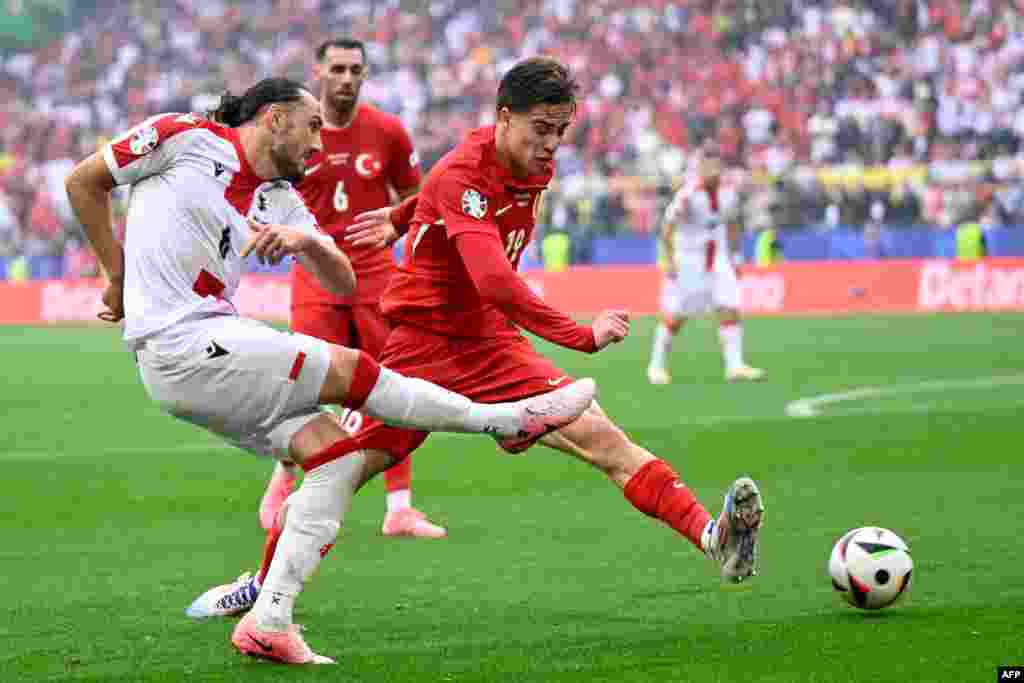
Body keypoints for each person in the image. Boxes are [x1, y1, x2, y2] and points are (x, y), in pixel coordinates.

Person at [189, 59, 765, 666]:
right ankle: (266, 597)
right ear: (503, 118)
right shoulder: (471, 171)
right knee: (338, 469)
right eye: (541, 128)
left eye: (561, 130)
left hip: (493, 346)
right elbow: (494, 280)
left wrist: (401, 216)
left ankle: (715, 538)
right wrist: (582, 337)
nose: (551, 144)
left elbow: (437, 195)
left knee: (604, 439)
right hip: (423, 348)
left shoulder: (518, 162)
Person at [64, 77, 597, 665]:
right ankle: (501, 420)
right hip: (177, 339)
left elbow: (342, 278)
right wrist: (115, 275)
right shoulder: (184, 137)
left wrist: (305, 243)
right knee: (350, 369)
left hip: (205, 350)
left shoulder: (282, 200)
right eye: (313, 125)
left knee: (337, 457)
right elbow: (84, 180)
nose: (321, 143)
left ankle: (268, 622)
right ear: (274, 119)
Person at [259, 39, 445, 540]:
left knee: (394, 382)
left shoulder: (387, 131)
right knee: (304, 381)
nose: (346, 78)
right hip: (315, 276)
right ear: (318, 71)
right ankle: (283, 476)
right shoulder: (297, 132)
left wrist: (397, 227)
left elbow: (416, 198)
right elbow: (266, 190)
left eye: (355, 70)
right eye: (337, 68)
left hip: (376, 277)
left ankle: (400, 508)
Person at [646, 144, 766, 385]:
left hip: (719, 257)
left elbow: (732, 223)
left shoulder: (728, 192)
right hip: (690, 260)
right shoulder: (688, 195)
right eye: (706, 166)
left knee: (730, 306)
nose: (712, 171)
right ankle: (656, 366)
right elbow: (667, 228)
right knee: (678, 315)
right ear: (699, 168)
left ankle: (735, 366)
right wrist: (669, 260)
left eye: (715, 166)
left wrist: (735, 256)